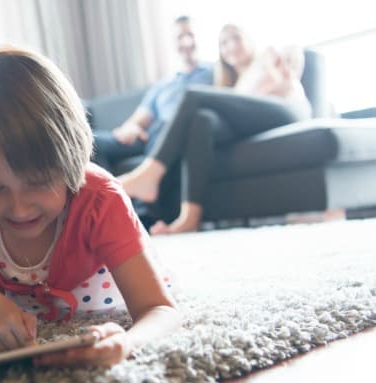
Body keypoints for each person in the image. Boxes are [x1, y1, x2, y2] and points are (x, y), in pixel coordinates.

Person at [0, 47, 180, 367]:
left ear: (72, 159)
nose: (19, 208)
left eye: (38, 182)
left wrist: (127, 343)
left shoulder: (100, 200)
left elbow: (161, 311)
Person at [119, 24, 312, 235]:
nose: (230, 47)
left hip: (288, 107)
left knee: (192, 95)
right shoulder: (232, 83)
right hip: (255, 120)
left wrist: (278, 66)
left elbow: (290, 65)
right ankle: (189, 218)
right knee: (201, 121)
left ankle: (150, 174)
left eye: (235, 39)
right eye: (224, 43)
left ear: (248, 40)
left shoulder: (266, 57)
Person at [91, 15, 213, 173]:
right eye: (180, 37)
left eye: (190, 35)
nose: (186, 41)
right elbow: (137, 120)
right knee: (90, 143)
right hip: (150, 136)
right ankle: (112, 196)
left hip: (180, 133)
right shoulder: (163, 85)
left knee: (163, 125)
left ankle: (145, 185)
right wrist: (130, 128)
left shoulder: (213, 72)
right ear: (173, 43)